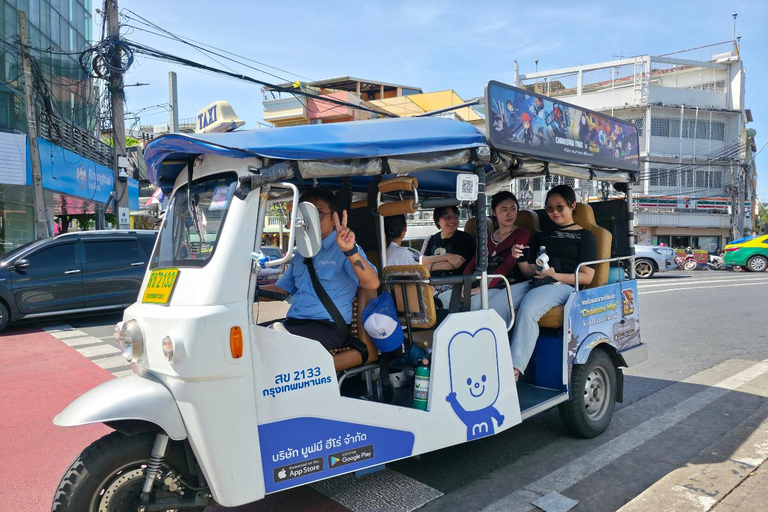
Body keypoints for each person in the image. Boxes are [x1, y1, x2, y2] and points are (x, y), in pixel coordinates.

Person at [262, 188, 380, 350]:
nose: (310, 220)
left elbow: (372, 283)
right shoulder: (300, 253)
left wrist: (350, 252)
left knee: (269, 344)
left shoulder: (346, 250)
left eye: (318, 213)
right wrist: (247, 291)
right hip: (294, 323)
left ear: (334, 218)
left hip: (328, 328)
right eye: (305, 214)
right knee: (249, 335)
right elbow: (280, 290)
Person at [508, 185, 597, 381]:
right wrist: (519, 258)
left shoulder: (585, 236)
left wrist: (556, 276)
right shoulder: (541, 236)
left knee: (529, 308)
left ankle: (514, 370)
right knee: (496, 303)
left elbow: (587, 276)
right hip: (537, 283)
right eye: (549, 208)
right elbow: (531, 271)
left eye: (560, 207)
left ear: (572, 205)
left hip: (565, 287)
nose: (554, 212)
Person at [438, 191, 531, 324]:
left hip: (504, 282)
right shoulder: (488, 237)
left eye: (513, 209)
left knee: (476, 302)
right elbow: (474, 261)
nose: (509, 214)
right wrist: (464, 284)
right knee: (445, 298)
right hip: (482, 280)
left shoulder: (522, 234)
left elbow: (508, 265)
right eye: (504, 210)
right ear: (494, 212)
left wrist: (482, 289)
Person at [419, 205, 475, 277]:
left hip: (456, 284)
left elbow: (455, 263)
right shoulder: (430, 239)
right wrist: (447, 257)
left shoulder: (465, 238)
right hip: (431, 285)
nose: (452, 220)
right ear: (437, 220)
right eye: (447, 217)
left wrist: (429, 267)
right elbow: (422, 260)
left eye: (455, 216)